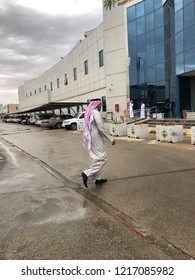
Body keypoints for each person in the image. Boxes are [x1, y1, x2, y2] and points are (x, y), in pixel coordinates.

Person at [81, 98, 116, 188]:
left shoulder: (88, 112)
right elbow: (101, 128)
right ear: (97, 104)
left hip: (89, 137)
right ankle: (86, 173)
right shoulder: (95, 112)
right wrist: (110, 138)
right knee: (102, 158)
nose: (101, 106)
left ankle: (98, 179)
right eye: (100, 105)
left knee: (95, 158)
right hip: (96, 137)